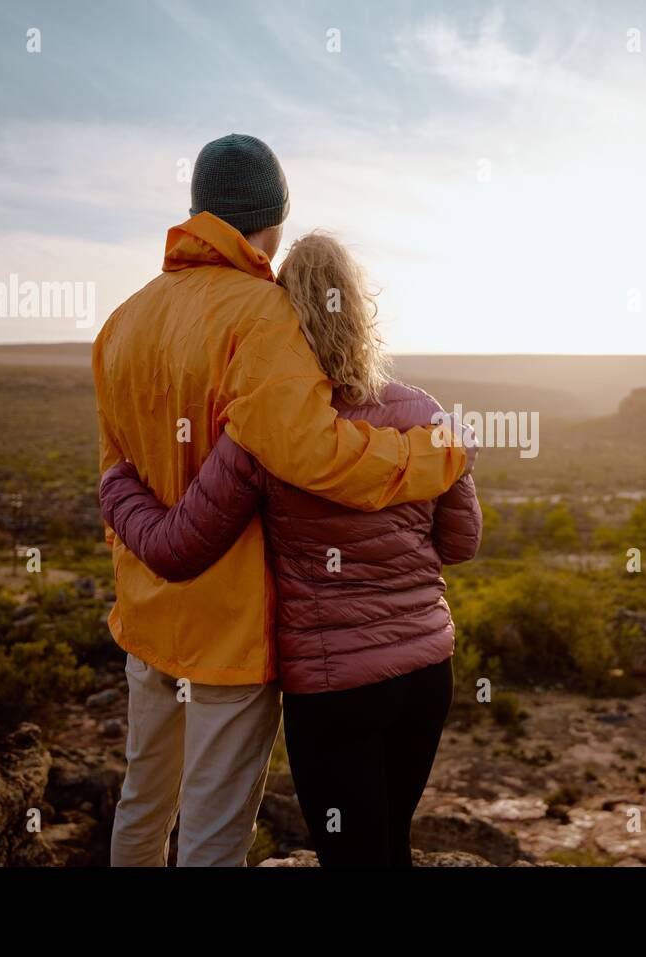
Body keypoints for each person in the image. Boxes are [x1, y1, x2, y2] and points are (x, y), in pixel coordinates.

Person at [93, 134, 476, 867]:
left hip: (147, 610)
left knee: (143, 796)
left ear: (198, 209)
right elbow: (318, 455)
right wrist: (440, 452)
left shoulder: (122, 321)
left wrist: (116, 489)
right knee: (213, 824)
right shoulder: (264, 316)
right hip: (232, 630)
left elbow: (118, 468)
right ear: (273, 219)